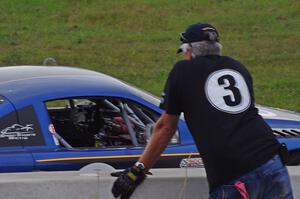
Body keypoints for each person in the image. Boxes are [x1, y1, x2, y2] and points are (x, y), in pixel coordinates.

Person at [111, 23, 293, 199]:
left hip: (233, 172)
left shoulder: (183, 71)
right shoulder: (238, 67)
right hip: (271, 160)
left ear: (189, 51)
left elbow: (166, 128)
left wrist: (138, 170)